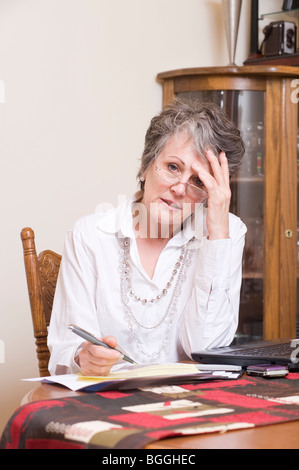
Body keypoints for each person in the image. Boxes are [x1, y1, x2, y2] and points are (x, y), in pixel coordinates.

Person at [48, 98, 247, 376]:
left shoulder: (228, 233)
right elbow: (65, 352)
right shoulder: (89, 236)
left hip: (189, 406)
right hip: (108, 405)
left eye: (200, 181)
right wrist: (84, 357)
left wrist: (217, 235)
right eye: (173, 167)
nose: (180, 188)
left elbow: (207, 351)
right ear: (145, 164)